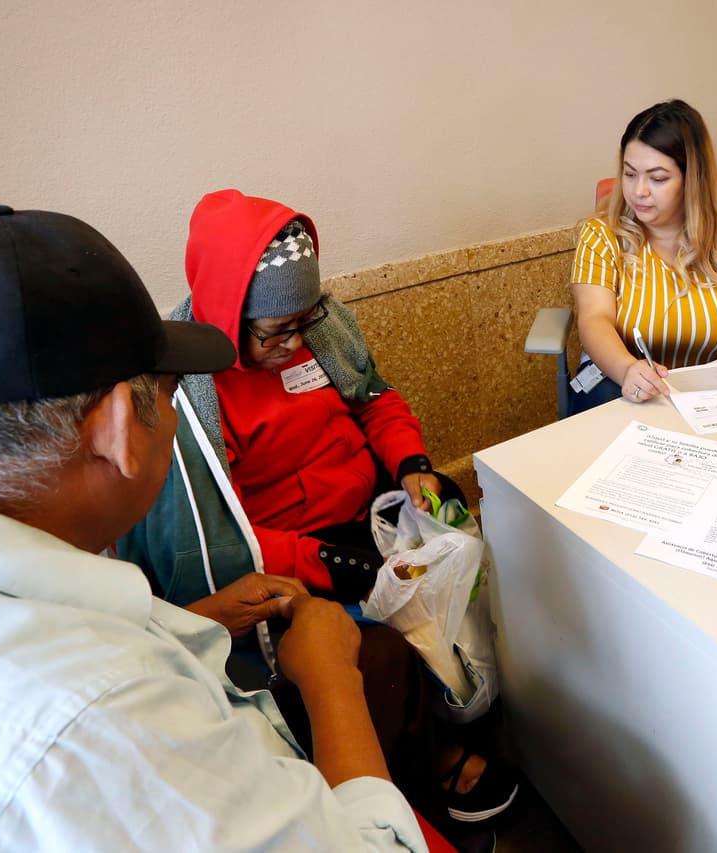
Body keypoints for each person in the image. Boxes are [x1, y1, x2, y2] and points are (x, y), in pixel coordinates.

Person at [0, 205, 429, 851]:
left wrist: (194, 618)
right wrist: (332, 677)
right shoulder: (108, 723)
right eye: (169, 396)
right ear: (116, 431)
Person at [119, 190, 517, 826]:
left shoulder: (320, 332)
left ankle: (460, 707)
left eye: (304, 323)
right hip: (288, 549)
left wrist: (411, 464)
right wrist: (328, 562)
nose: (295, 343)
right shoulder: (193, 393)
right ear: (226, 316)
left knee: (461, 555)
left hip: (370, 509)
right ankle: (420, 773)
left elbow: (376, 400)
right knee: (385, 643)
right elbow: (225, 532)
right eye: (277, 332)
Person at [568, 99, 717, 415]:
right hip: (624, 388)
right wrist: (626, 368)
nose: (638, 191)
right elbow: (593, 319)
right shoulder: (601, 233)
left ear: (692, 179)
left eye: (658, 178)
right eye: (629, 173)